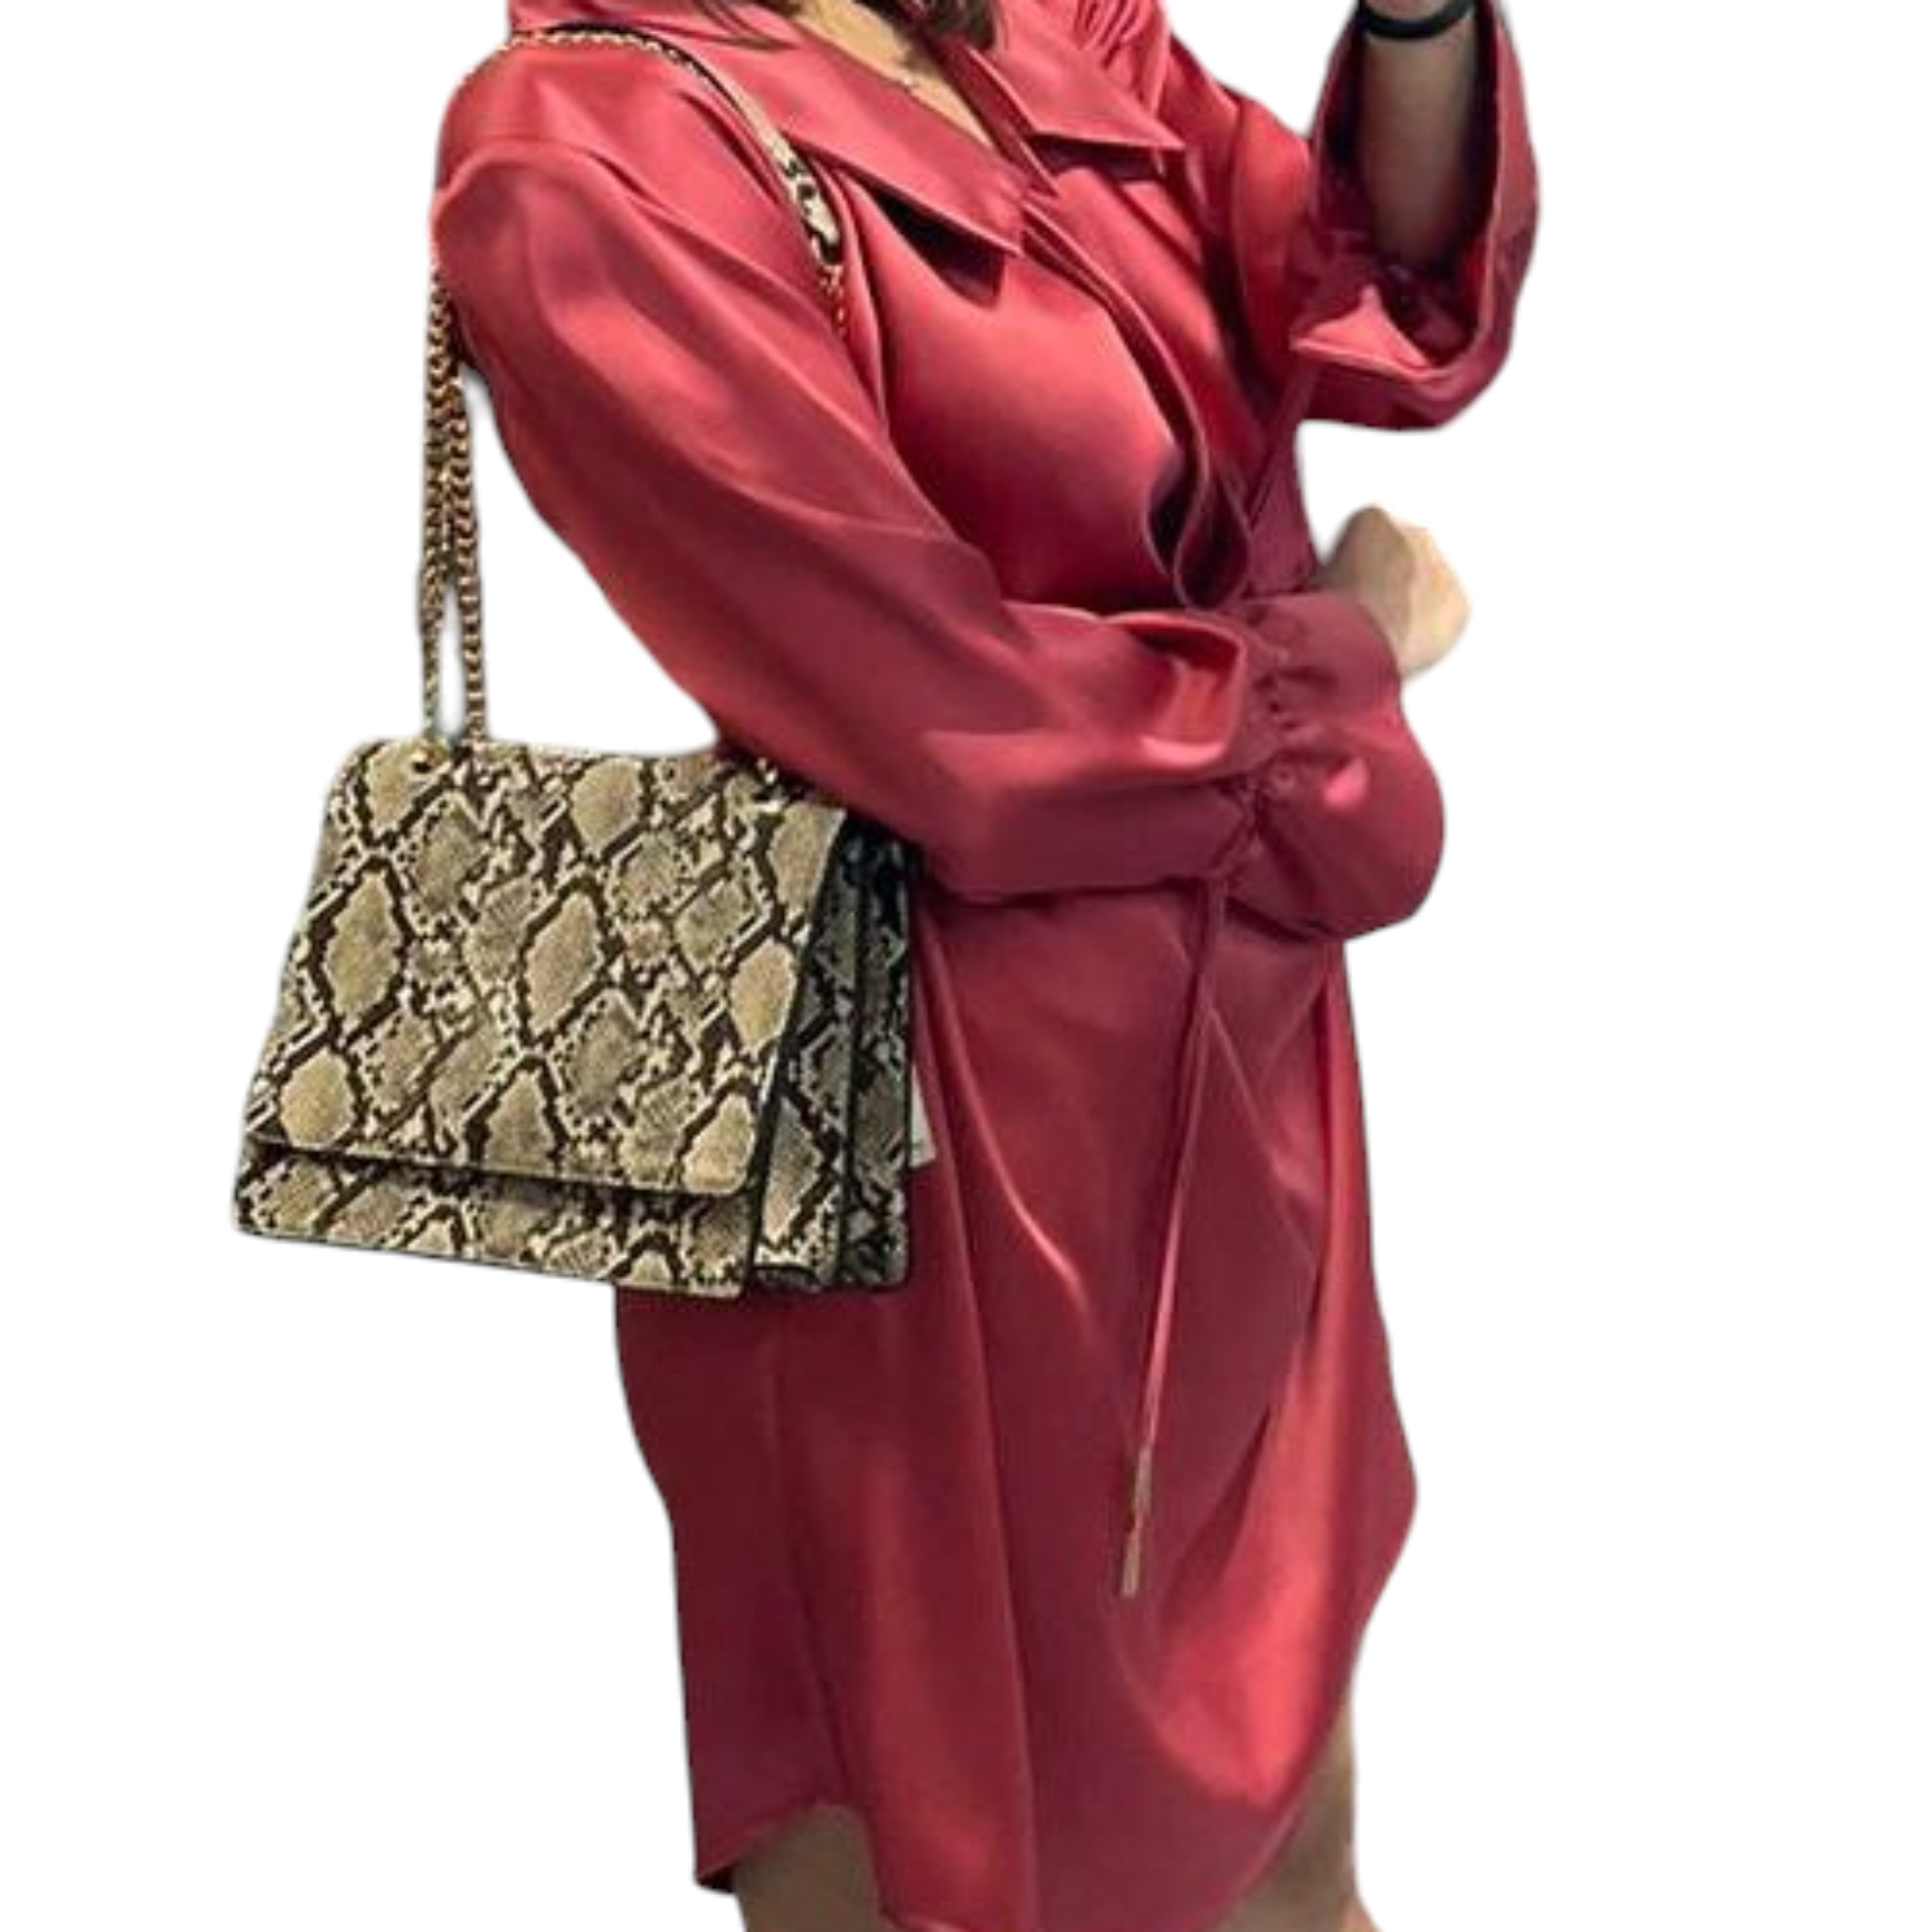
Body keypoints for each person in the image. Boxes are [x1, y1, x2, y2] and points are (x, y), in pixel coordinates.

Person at [427, 0, 1539, 1927]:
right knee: (945, 1859)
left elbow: (1353, 277)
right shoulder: (584, 148)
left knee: (1295, 1867)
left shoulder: (1035, 22)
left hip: (1239, 1067)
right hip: (913, 1146)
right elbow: (950, 725)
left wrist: (1417, 21)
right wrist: (1337, 658)